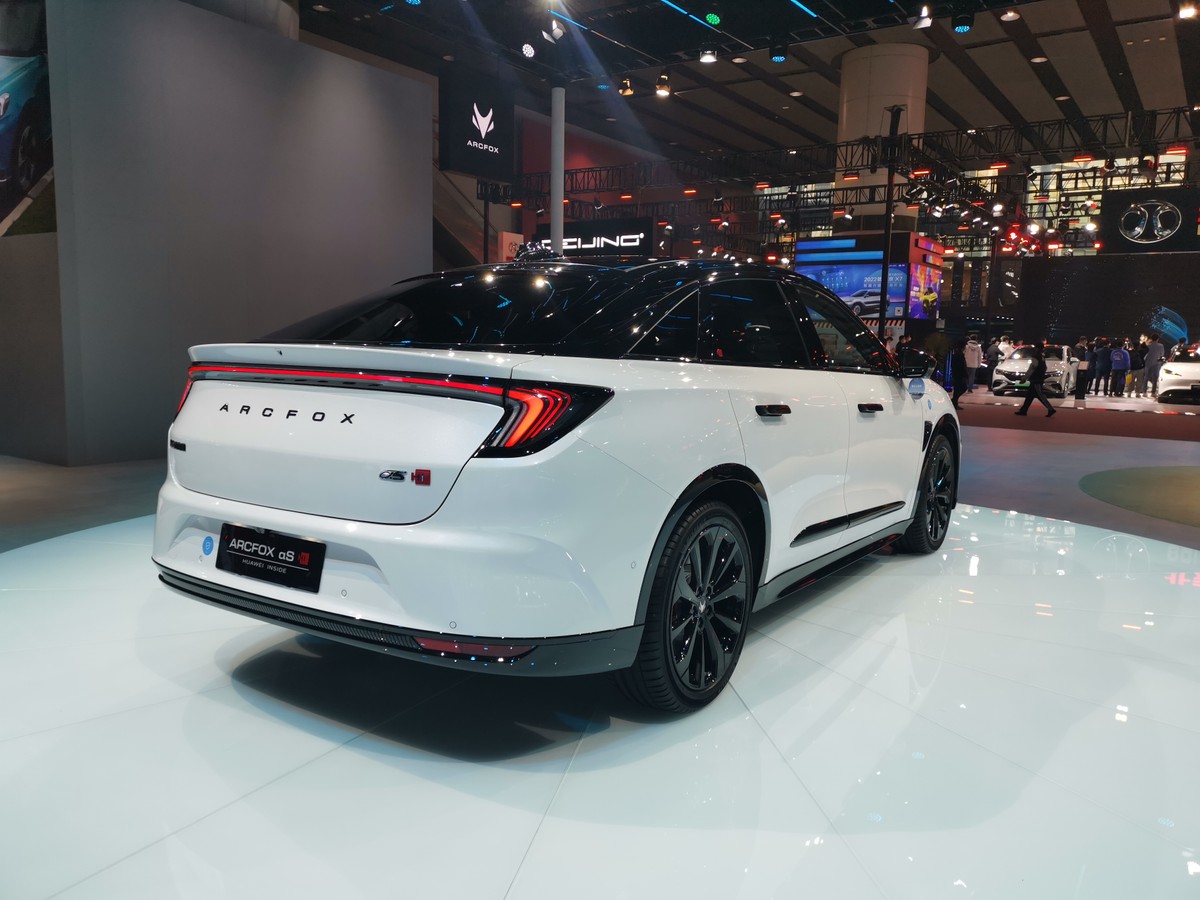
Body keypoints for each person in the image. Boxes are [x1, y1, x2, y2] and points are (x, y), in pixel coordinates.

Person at [1015, 343, 1055, 417]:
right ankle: (1023, 410)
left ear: (1036, 348)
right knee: (1029, 396)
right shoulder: (1042, 356)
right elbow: (1045, 367)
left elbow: (1032, 367)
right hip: (1039, 378)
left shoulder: (1035, 356)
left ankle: (1051, 409)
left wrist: (1025, 378)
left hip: (1035, 379)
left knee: (1039, 394)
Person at [1144, 333, 1165, 398]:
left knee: (1146, 378)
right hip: (1156, 363)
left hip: (1147, 363)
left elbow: (1145, 355)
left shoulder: (1148, 346)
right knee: (1155, 378)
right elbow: (1162, 354)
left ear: (1151, 338)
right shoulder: (1161, 346)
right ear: (1158, 339)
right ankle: (1153, 392)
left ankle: (1144, 392)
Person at [950, 339, 968, 410]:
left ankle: (954, 401)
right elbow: (961, 365)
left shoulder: (956, 353)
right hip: (959, 374)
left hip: (956, 373)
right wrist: (965, 373)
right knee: (962, 387)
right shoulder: (959, 354)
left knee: (957, 389)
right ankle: (954, 401)